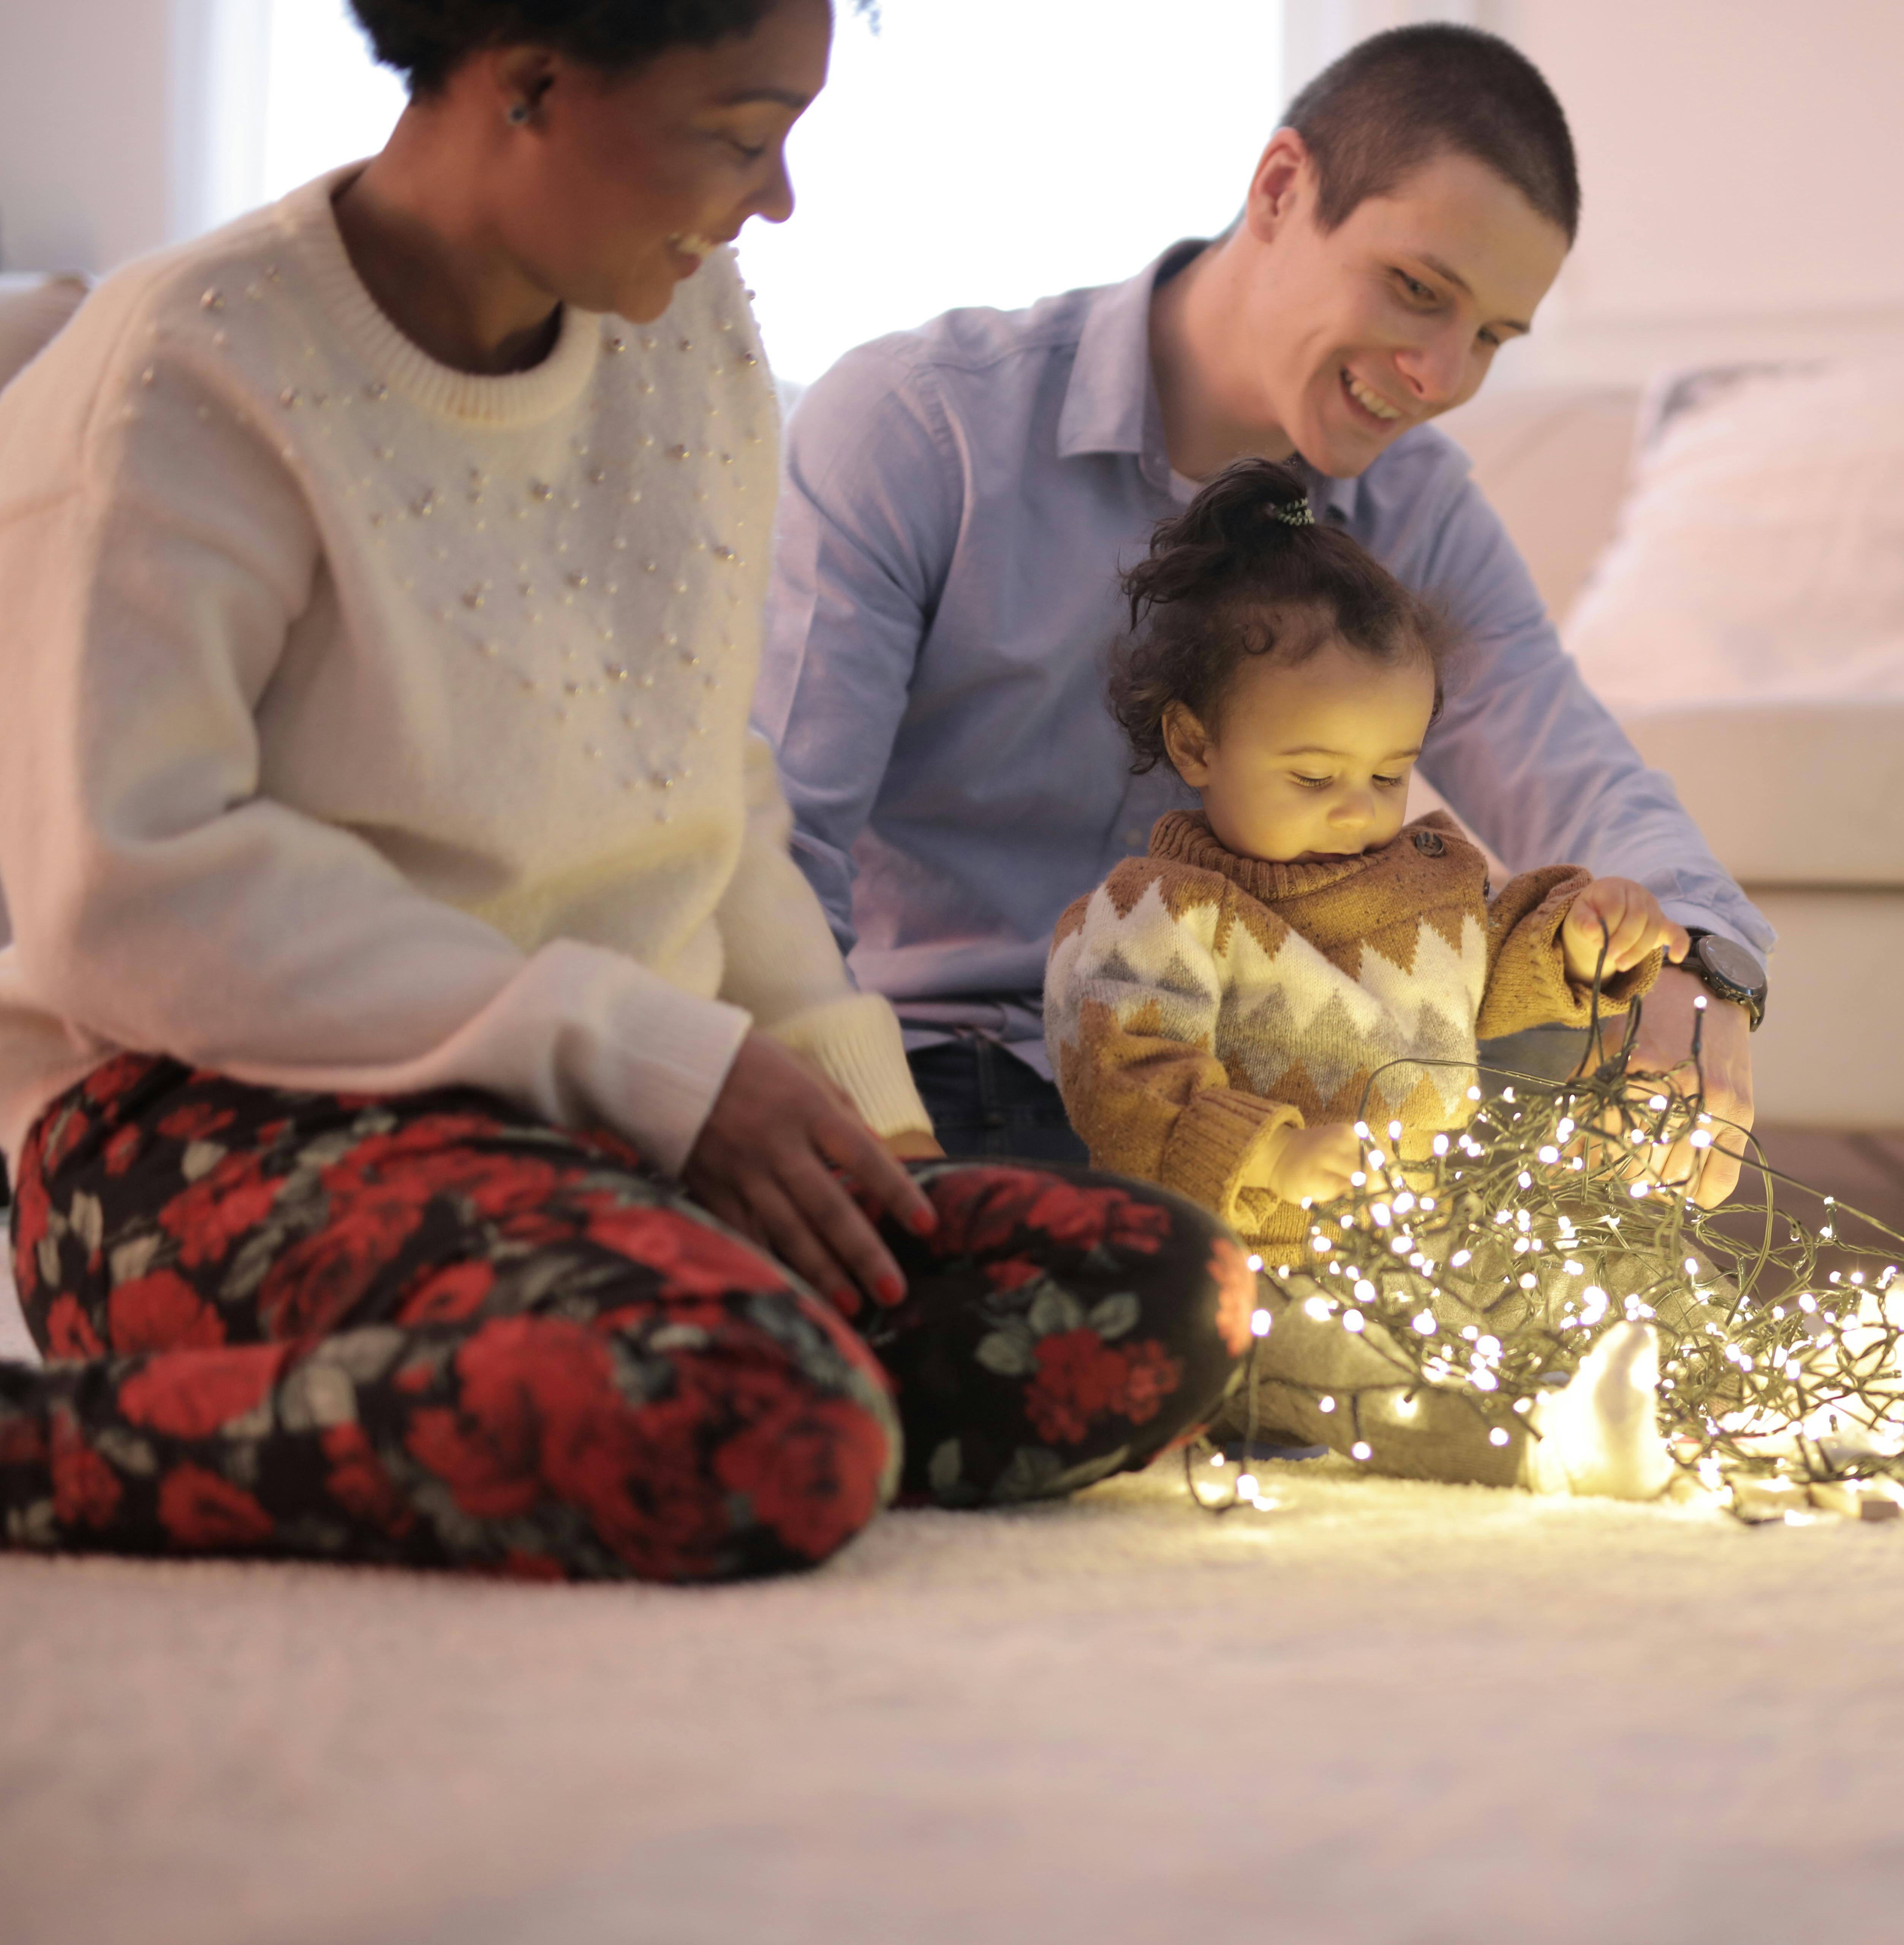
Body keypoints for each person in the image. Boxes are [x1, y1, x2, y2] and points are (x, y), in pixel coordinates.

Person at [0, 0, 1245, 1580]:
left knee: (1146, 1291)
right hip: (202, 1128)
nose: (778, 196)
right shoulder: (185, 373)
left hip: (606, 1131)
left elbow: (700, 781)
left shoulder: (689, 325)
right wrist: (656, 1057)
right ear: (527, 82)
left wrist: (864, 1123)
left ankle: (610, 1368)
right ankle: (52, 1443)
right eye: (740, 134)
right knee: (755, 1412)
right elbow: (132, 894)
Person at [758, 23, 1776, 1199]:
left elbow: (1572, 764)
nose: (1442, 377)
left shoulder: (1414, 504)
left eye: (1490, 337)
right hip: (957, 1079)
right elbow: (781, 846)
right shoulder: (924, 429)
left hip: (1289, 1102)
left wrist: (1701, 968)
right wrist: (859, 1147)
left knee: (1572, 1034)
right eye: (1415, 290)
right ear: (1283, 189)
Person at [1044, 461, 1681, 1494]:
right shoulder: (1154, 914)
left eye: (1391, 774)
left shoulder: (1428, 882)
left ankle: (1651, 1389)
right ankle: (1540, 1450)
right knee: (1345, 1373)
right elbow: (1128, 1088)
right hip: (1246, 1268)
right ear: (1195, 742)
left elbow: (1497, 966)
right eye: (1314, 776)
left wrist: (1581, 941)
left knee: (1575, 1277)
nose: (1358, 809)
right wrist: (1276, 1155)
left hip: (1418, 1243)